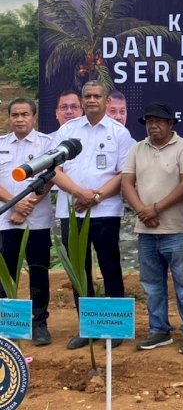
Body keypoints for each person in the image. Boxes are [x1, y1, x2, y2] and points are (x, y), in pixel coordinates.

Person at [52, 81, 135, 350]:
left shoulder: (119, 133)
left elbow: (124, 174)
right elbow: (54, 170)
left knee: (111, 266)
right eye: (87, 96)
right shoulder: (67, 130)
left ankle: (116, 327)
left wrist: (95, 197)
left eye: (96, 96)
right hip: (72, 210)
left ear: (106, 100)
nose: (91, 100)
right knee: (80, 270)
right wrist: (79, 193)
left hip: (105, 210)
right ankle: (88, 328)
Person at [121, 103, 183, 354]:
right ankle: (159, 330)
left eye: (158, 121)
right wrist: (142, 211)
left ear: (170, 124)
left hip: (177, 230)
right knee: (151, 285)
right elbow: (126, 183)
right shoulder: (137, 148)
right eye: (149, 122)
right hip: (146, 231)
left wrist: (154, 209)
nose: (153, 126)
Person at [0, 99, 55, 346]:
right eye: (15, 115)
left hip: (37, 222)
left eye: (24, 114)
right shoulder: (1, 144)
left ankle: (39, 323)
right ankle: (9, 324)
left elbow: (51, 178)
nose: (19, 119)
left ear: (34, 117)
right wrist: (14, 204)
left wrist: (26, 207)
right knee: (6, 274)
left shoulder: (47, 144)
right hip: (6, 220)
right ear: (9, 117)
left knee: (38, 272)